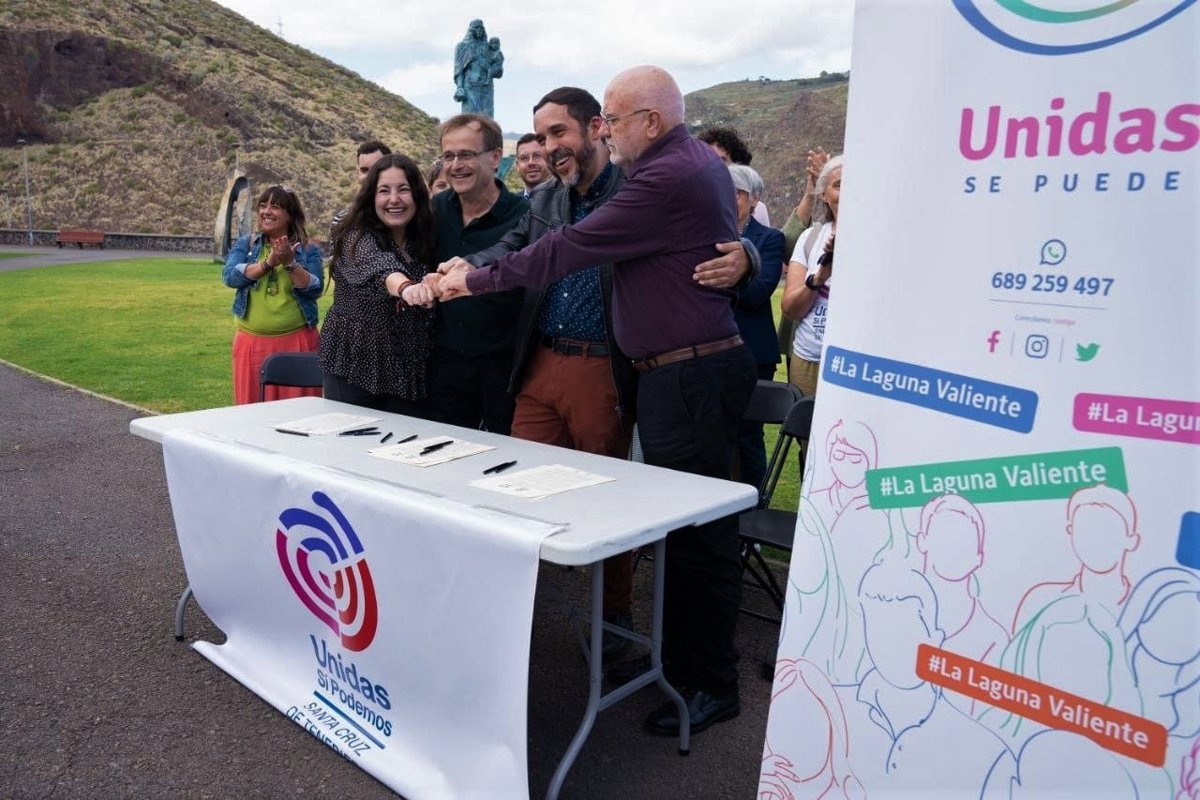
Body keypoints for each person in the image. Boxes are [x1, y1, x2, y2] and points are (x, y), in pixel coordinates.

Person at [436, 65, 759, 736]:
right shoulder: (684, 166)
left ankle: (709, 682)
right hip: (675, 373)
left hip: (687, 373)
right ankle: (683, 665)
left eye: (611, 119)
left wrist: (475, 282)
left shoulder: (660, 178)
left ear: (650, 122)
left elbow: (572, 248)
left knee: (697, 537)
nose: (607, 131)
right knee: (683, 532)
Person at [428, 113, 530, 434]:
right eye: (448, 156)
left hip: (506, 366)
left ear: (496, 157)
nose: (456, 165)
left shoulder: (525, 216)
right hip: (445, 363)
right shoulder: (435, 209)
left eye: (466, 155)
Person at [319, 154, 437, 413]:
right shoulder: (354, 235)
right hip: (355, 362)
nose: (394, 199)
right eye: (384, 191)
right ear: (371, 197)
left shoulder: (425, 238)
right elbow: (377, 267)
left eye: (403, 189)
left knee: (406, 436)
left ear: (417, 194)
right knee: (352, 434)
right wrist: (406, 288)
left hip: (408, 364)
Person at [222, 185, 324, 405]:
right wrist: (267, 264)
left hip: (297, 344)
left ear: (290, 215)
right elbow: (230, 277)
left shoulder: (308, 250)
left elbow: (315, 289)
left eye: (275, 207)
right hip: (251, 347)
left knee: (300, 413)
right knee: (253, 413)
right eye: (263, 205)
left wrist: (290, 263)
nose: (266, 211)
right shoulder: (247, 244)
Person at [727, 164, 784, 491]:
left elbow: (759, 292)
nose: (728, 197)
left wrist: (722, 280)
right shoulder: (706, 234)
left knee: (748, 435)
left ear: (754, 199)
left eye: (737, 192)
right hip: (711, 350)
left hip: (752, 352)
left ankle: (753, 508)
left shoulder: (770, 239)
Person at [781, 155, 842, 401]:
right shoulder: (810, 238)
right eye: (838, 185)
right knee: (804, 424)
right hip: (808, 359)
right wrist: (820, 277)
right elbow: (790, 309)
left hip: (853, 362)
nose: (847, 191)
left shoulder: (880, 240)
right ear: (824, 194)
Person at [698, 126, 770, 225]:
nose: (712, 167)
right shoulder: (690, 205)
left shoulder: (757, 210)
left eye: (720, 161)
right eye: (707, 160)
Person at [331, 140, 392, 236]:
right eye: (364, 170)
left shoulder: (400, 214)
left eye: (376, 169)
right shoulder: (342, 221)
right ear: (358, 172)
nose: (370, 176)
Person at [453, 19, 502, 117]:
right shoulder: (462, 46)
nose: (479, 30)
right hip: (470, 85)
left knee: (488, 117)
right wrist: (460, 87)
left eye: (481, 28)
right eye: (476, 28)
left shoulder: (488, 47)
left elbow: (499, 69)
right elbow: (459, 69)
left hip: (487, 87)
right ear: (471, 30)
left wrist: (495, 69)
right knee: (471, 116)